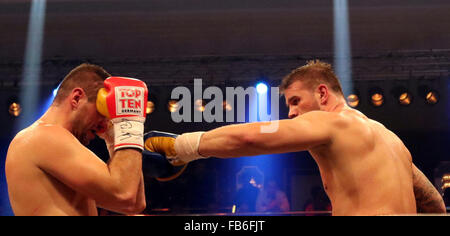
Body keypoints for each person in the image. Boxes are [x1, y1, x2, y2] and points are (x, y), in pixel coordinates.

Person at [145, 60, 446, 216]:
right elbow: (434, 203)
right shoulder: (391, 139)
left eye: (294, 101)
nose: (290, 113)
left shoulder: (333, 123)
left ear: (323, 93)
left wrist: (181, 147)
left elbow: (251, 138)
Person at [5, 64, 148, 216]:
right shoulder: (43, 136)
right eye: (102, 112)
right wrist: (129, 122)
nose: (106, 123)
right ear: (76, 98)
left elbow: (134, 204)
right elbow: (124, 194)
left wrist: (114, 138)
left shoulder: (54, 144)